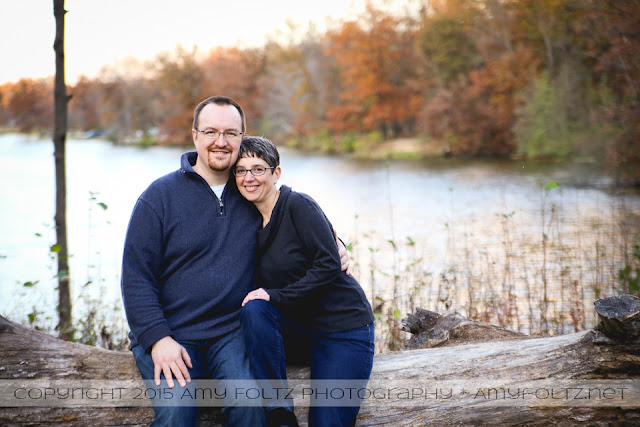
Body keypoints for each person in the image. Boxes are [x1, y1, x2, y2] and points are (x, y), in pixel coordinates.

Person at [121, 96, 350, 427]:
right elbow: (135, 277)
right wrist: (158, 339)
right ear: (195, 136)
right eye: (211, 131)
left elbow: (298, 218)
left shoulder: (250, 188)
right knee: (176, 416)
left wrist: (338, 245)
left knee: (250, 411)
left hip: (230, 332)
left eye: (230, 133)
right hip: (172, 331)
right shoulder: (159, 196)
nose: (221, 141)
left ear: (242, 137)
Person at [236, 136, 375, 427]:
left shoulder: (297, 205)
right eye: (241, 169)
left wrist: (276, 296)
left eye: (258, 169)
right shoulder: (244, 218)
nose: (249, 178)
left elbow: (328, 264)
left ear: (276, 173)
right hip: (297, 331)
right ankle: (280, 411)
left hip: (342, 329)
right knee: (254, 309)